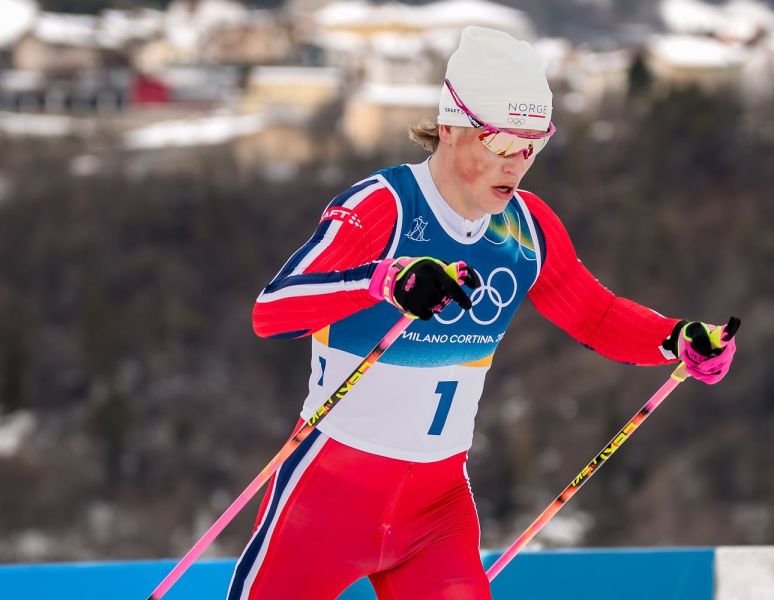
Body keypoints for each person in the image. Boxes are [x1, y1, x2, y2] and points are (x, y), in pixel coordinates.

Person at [229, 26, 737, 600]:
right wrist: (383, 281)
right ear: (450, 127)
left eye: (533, 145)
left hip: (435, 513)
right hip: (326, 498)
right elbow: (272, 311)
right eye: (500, 143)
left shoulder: (525, 230)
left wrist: (677, 339)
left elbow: (594, 315)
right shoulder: (383, 206)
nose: (518, 164)